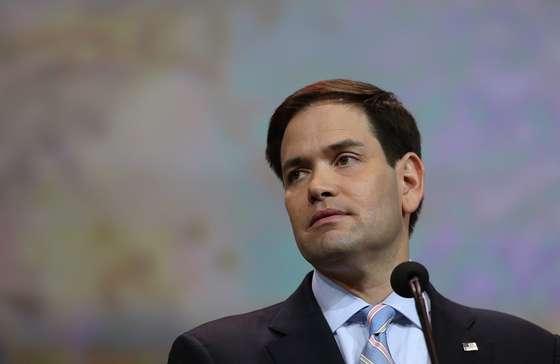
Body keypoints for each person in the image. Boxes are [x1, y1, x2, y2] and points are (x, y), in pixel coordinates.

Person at [168, 79, 559, 363]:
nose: (317, 186)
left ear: (408, 181)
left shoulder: (528, 351)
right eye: (297, 173)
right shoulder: (218, 355)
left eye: (344, 160)